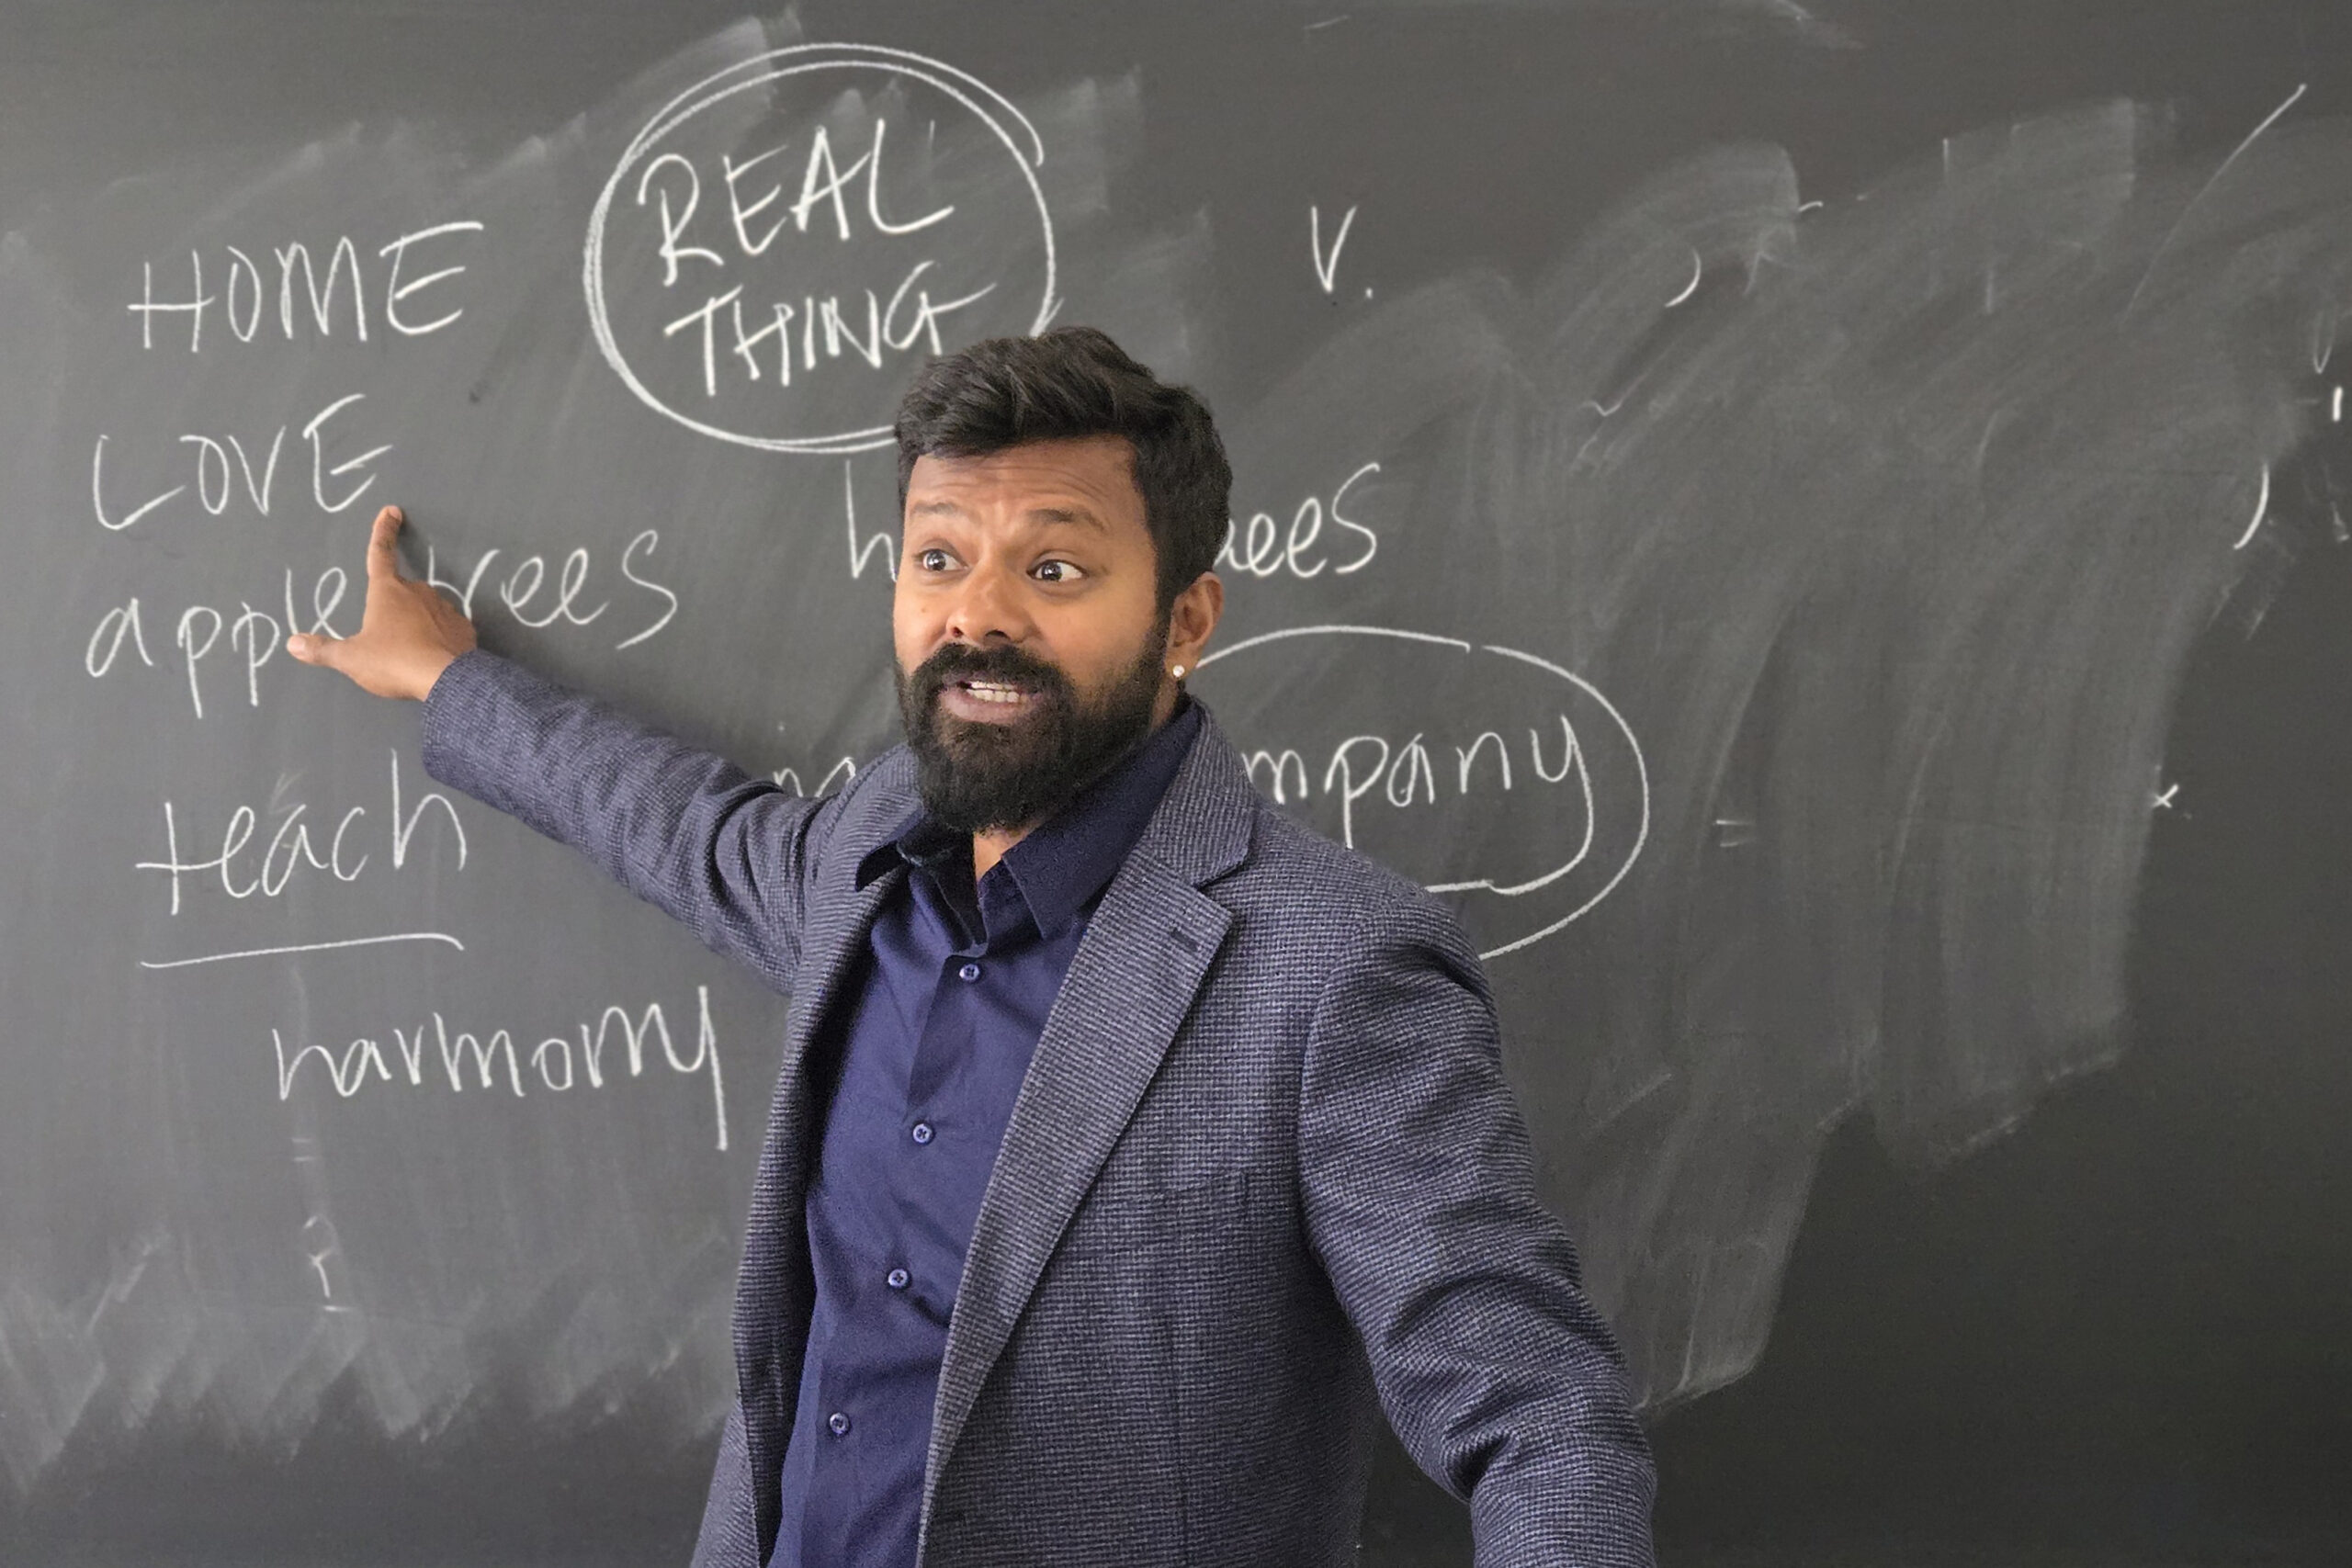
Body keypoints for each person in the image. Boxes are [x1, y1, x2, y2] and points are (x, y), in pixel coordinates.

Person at [287, 327, 1657, 1568]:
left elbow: (1541, 1422)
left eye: (1054, 568)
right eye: (940, 557)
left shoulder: (1332, 967)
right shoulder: (871, 856)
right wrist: (453, 681)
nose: (978, 613)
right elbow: (685, 828)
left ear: (1186, 619)